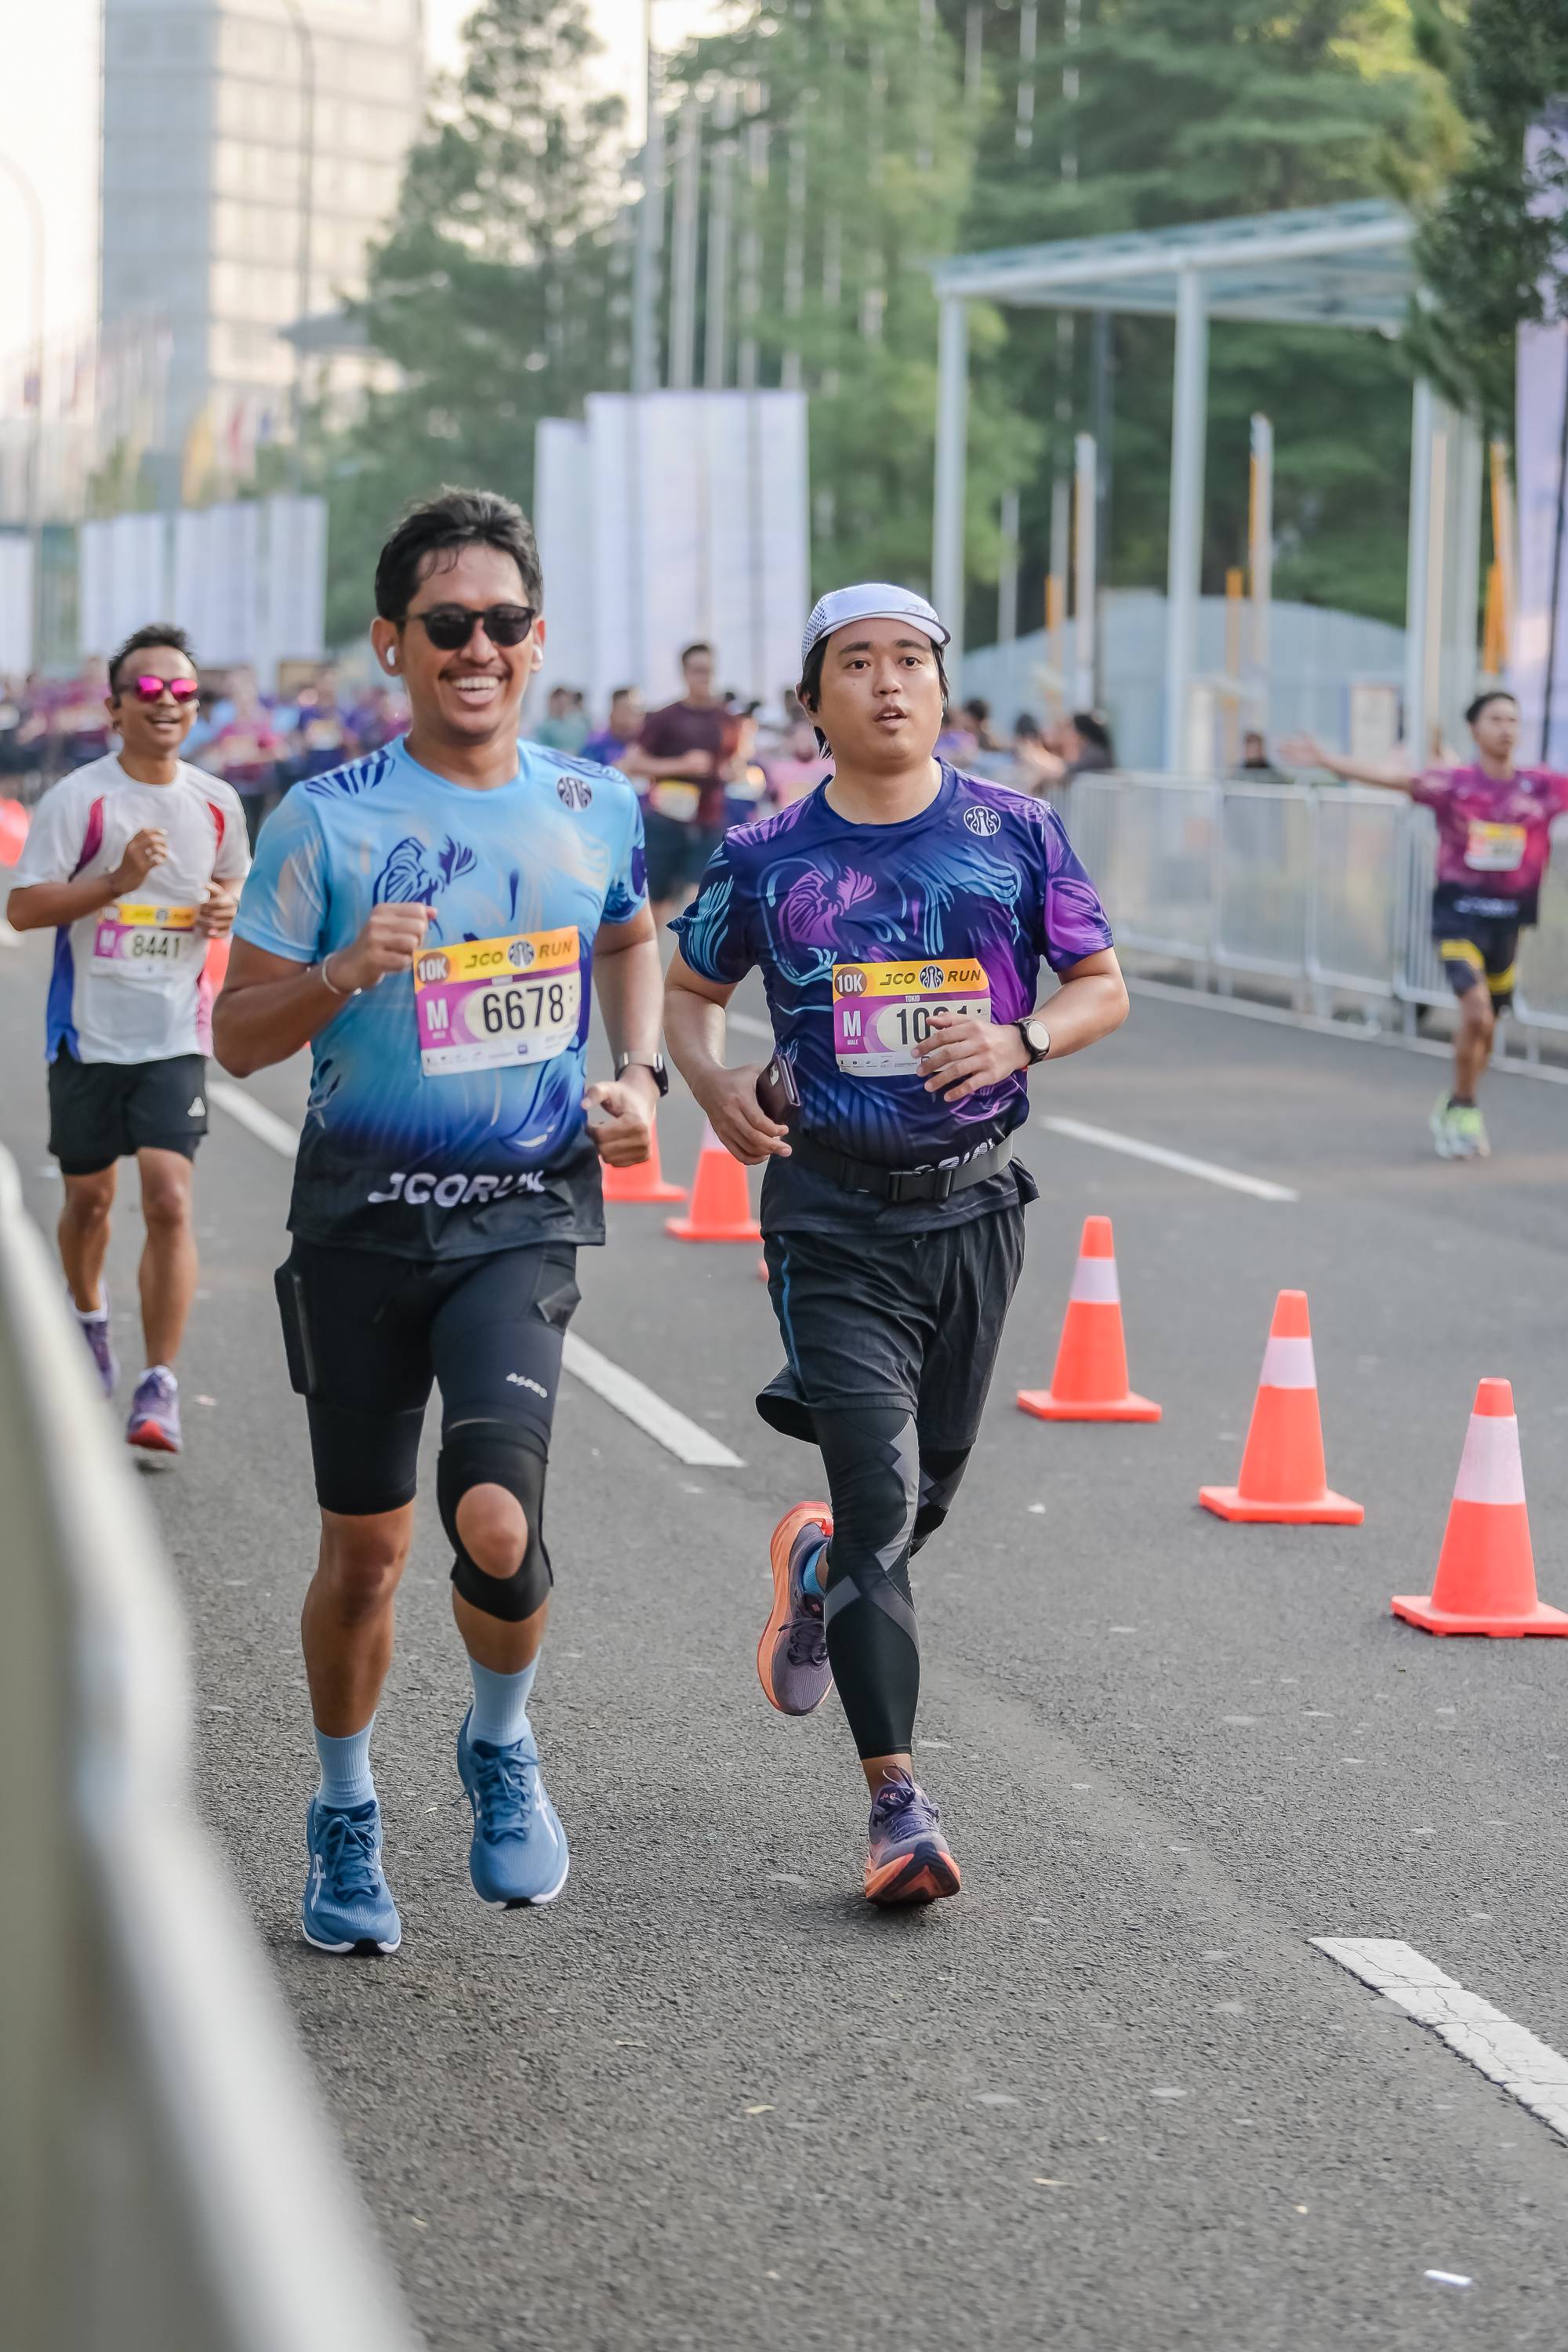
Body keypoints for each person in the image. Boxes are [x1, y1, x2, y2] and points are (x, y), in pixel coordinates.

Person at [214, 488, 666, 1958]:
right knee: (365, 1557)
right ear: (391, 642)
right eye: (449, 624)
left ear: (538, 639)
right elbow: (236, 1039)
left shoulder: (594, 805)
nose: (479, 648)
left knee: (495, 1517)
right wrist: (344, 970)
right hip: (357, 1227)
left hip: (519, 1216)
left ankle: (499, 1738)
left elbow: (631, 934)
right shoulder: (323, 819)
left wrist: (639, 1074)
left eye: (504, 623)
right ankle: (345, 1807)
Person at [663, 583, 1127, 1906]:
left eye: (910, 659)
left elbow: (1101, 986)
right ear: (813, 700)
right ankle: (896, 1804)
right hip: (829, 1214)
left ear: (939, 686)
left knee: (923, 1504)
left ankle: (815, 1570)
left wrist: (1022, 1037)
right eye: (856, 662)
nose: (887, 682)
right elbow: (691, 990)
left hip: (974, 1209)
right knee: (878, 1502)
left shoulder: (1015, 831)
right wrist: (713, 1083)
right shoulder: (768, 853)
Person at [5, 624, 249, 1450]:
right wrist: (117, 881)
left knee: (169, 1199)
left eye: (183, 691)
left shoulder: (217, 803)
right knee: (90, 1200)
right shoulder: (81, 800)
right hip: (86, 1036)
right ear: (114, 709)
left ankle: (160, 1385)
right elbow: (23, 908)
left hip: (175, 1033)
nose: (167, 703)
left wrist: (224, 908)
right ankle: (88, 1316)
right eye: (148, 690)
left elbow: (234, 885)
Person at [1282, 691, 1568, 1160]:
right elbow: (1394, 779)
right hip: (1458, 920)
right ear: (1474, 729)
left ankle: (1459, 1101)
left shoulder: (1542, 787)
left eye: (1513, 720)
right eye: (1496, 719)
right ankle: (1465, 1108)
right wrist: (1328, 760)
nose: (1506, 728)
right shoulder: (1454, 783)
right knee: (1476, 1014)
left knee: (1487, 1030)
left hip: (1508, 927)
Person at [620, 641, 743, 927]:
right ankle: (650, 953)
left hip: (709, 822)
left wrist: (733, 771)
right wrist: (681, 765)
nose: (704, 677)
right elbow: (632, 764)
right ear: (685, 673)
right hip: (666, 821)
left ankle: (688, 953)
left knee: (699, 900)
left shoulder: (727, 720)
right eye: (698, 670)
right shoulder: (665, 717)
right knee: (656, 903)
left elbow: (735, 763)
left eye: (709, 670)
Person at [582, 685, 644, 769]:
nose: (636, 718)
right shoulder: (596, 743)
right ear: (612, 713)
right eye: (627, 711)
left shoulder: (644, 744)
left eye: (640, 712)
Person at [534, 683, 590, 754]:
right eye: (559, 703)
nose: (562, 707)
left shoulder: (578, 725)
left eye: (565, 703)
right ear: (551, 702)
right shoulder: (544, 727)